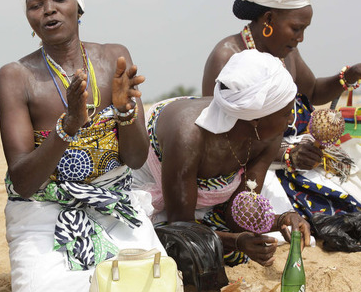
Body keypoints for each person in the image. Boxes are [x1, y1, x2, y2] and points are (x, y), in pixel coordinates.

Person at [0, 0, 165, 292]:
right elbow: (24, 182)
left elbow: (135, 159)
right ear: (28, 17)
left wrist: (124, 113)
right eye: (36, 4)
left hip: (113, 204)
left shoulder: (111, 58)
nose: (49, 9)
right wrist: (68, 127)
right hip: (44, 212)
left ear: (78, 6)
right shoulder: (16, 76)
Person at [201, 0, 361, 218]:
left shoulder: (287, 52)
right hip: (253, 166)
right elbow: (218, 136)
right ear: (268, 20)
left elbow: (313, 91)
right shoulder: (228, 56)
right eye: (296, 28)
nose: (300, 38)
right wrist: (284, 155)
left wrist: (349, 75)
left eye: (304, 30)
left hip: (298, 155)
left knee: (359, 191)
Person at [133, 50, 311, 267]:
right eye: (285, 114)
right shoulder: (188, 137)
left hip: (195, 204)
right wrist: (236, 242)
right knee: (183, 251)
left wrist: (282, 219)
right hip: (162, 196)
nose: (291, 120)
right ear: (256, 119)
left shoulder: (268, 137)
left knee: (233, 248)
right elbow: (181, 227)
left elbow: (239, 211)